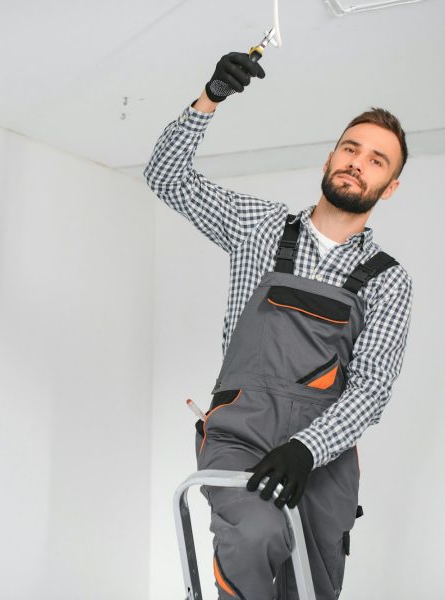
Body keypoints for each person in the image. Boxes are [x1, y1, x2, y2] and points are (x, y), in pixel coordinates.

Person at [143, 52, 413, 600]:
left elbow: (372, 391)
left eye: (377, 161)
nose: (358, 162)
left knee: (311, 587)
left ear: (389, 188)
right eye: (350, 148)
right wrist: (210, 97)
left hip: (325, 455)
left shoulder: (389, 281)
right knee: (257, 533)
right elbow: (165, 177)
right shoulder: (258, 228)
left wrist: (307, 448)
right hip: (241, 433)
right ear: (328, 159)